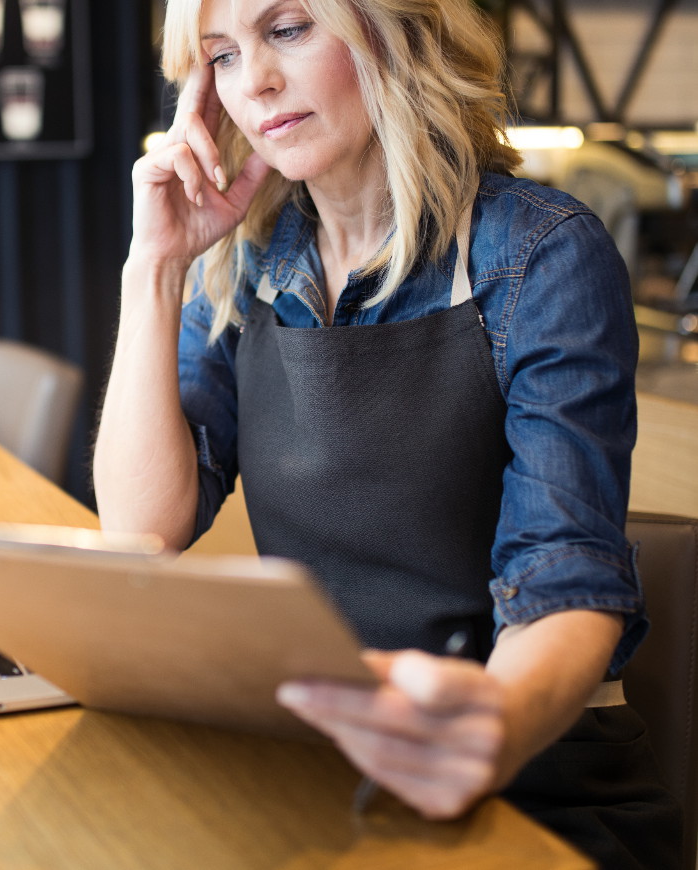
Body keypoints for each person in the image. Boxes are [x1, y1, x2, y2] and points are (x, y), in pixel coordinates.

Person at [92, 0, 683, 866]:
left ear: (396, 31)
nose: (251, 81)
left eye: (288, 29)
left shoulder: (541, 256)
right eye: (220, 56)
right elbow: (143, 526)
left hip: (532, 783)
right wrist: (156, 267)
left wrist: (495, 725)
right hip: (326, 769)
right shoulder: (251, 258)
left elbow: (568, 579)